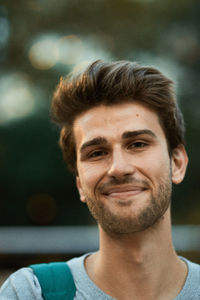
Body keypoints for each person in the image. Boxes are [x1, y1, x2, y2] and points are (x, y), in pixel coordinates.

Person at [0, 60, 200, 299]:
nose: (118, 168)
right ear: (80, 185)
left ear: (176, 163)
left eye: (138, 144)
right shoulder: (31, 293)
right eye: (96, 153)